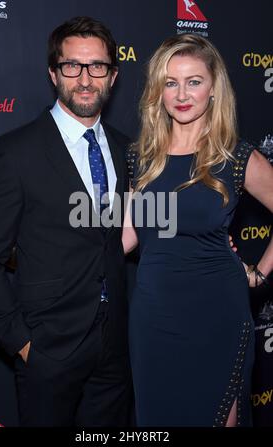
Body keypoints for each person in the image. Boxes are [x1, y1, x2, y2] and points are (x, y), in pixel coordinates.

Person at [0, 16, 133, 427]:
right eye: (71, 66)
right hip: (48, 347)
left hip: (115, 345)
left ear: (112, 76)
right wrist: (22, 343)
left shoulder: (125, 150)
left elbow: (119, 236)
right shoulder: (14, 153)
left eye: (97, 66)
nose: (84, 78)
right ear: (53, 72)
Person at [123, 33, 273, 427]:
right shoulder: (141, 157)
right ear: (158, 91)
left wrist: (259, 273)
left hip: (217, 314)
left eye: (194, 81)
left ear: (213, 89)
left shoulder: (237, 157)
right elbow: (126, 235)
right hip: (153, 316)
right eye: (170, 82)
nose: (182, 93)